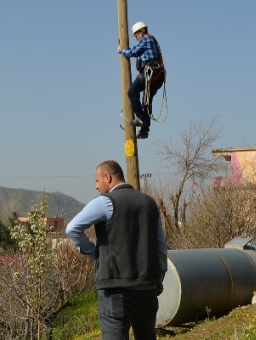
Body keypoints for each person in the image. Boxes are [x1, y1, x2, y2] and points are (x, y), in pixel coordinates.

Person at [66, 160, 167, 340]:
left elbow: (72, 228)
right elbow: (160, 245)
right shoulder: (149, 203)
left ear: (108, 177)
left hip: (115, 290)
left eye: (97, 181)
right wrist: (158, 278)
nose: (96, 187)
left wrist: (93, 252)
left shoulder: (105, 202)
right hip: (147, 289)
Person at [118, 21, 165, 139]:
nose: (136, 38)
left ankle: (140, 119)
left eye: (136, 35)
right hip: (157, 75)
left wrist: (121, 50)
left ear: (140, 32)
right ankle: (145, 130)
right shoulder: (151, 40)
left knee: (132, 92)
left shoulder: (145, 40)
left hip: (151, 71)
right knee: (146, 102)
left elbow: (132, 52)